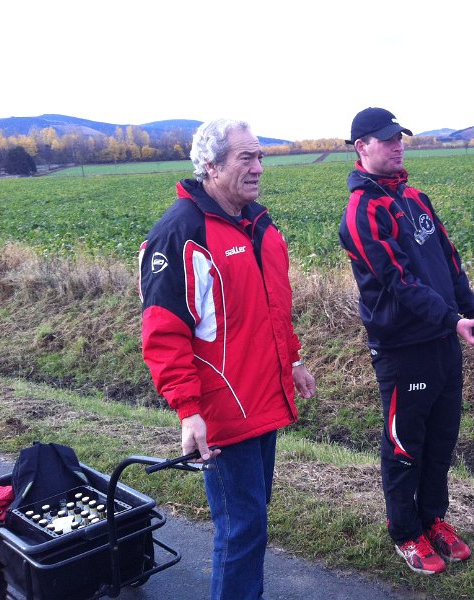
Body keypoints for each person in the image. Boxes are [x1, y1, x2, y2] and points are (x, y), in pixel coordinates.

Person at [138, 118, 316, 600]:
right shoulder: (181, 232)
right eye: (246, 158)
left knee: (252, 520)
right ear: (211, 166)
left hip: (264, 397)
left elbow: (272, 310)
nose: (258, 167)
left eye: (260, 157)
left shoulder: (259, 224)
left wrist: (292, 361)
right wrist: (188, 410)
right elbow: (163, 333)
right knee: (241, 529)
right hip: (223, 407)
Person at [338, 107, 474, 575]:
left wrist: (471, 313)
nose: (398, 145)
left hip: (443, 340)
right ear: (362, 147)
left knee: (441, 438)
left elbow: (450, 262)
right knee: (405, 445)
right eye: (387, 139)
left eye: (399, 138)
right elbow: (400, 282)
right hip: (403, 349)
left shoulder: (415, 199)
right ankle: (405, 532)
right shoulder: (363, 212)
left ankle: (432, 518)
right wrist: (453, 321)